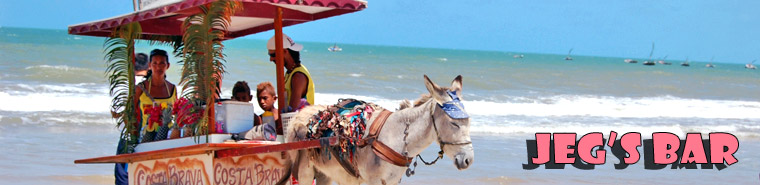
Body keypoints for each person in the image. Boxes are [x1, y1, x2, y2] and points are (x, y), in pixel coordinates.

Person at [115, 52, 149, 185]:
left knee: (123, 175)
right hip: (150, 134)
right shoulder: (154, 84)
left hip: (131, 135)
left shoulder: (131, 85)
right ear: (149, 66)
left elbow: (118, 112)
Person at [134, 49, 177, 143]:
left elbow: (175, 112)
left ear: (168, 65)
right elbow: (131, 114)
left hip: (168, 137)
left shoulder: (172, 88)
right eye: (155, 63)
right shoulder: (141, 88)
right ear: (149, 65)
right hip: (146, 137)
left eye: (162, 63)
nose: (158, 67)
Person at [267, 34, 314, 112]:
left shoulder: (298, 76)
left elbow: (292, 111)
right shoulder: (291, 72)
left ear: (285, 51)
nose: (271, 59)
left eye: (273, 55)